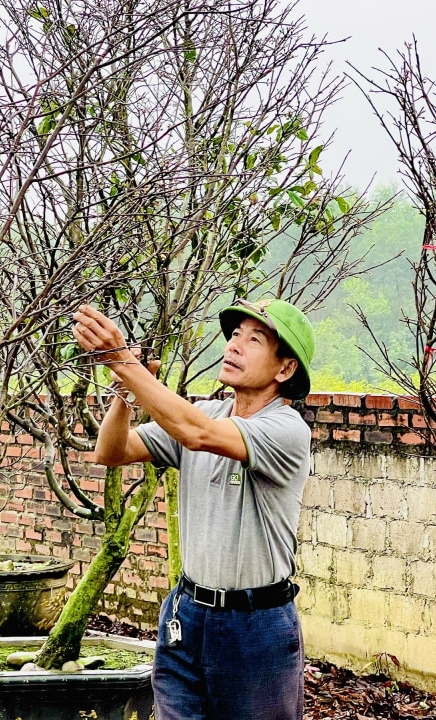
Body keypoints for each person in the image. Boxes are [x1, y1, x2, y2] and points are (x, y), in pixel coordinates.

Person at [71, 298, 315, 720]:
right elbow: (112, 451)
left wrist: (122, 359)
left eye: (254, 339)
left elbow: (199, 434)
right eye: (235, 334)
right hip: (186, 616)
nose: (235, 345)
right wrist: (125, 388)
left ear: (285, 369)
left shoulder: (286, 431)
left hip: (254, 628)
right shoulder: (205, 413)